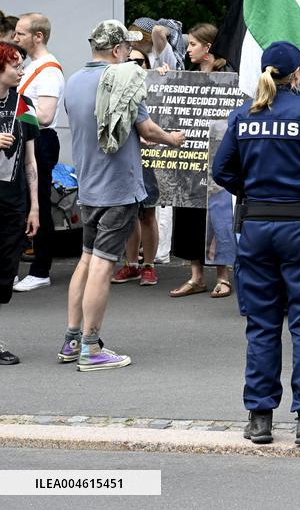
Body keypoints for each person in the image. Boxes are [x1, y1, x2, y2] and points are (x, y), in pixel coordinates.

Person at [212, 40, 300, 446]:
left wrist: (253, 192)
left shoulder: (244, 116)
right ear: (295, 74)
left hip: (255, 229)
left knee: (262, 326)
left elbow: (222, 171)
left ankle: (260, 419)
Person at [61, 20, 185, 371]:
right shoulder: (124, 77)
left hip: (88, 187)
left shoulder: (73, 81)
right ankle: (91, 348)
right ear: (117, 50)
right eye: (126, 48)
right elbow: (146, 128)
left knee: (86, 261)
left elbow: (98, 126)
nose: (130, 52)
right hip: (117, 188)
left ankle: (71, 341)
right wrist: (171, 139)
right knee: (102, 264)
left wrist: (135, 137)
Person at [169, 23, 235, 298]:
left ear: (208, 47)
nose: (189, 49)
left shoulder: (228, 76)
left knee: (217, 216)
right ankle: (196, 276)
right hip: (191, 159)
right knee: (189, 215)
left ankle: (223, 275)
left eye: (193, 44)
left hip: (218, 159)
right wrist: (164, 79)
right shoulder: (188, 77)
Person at [10, 12, 63, 293]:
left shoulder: (49, 70)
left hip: (41, 140)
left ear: (38, 36)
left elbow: (45, 115)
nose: (15, 38)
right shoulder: (31, 66)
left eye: (20, 33)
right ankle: (14, 268)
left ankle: (41, 269)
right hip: (28, 139)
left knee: (37, 202)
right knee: (21, 203)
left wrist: (13, 113)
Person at [0, 42, 40, 364]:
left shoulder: (24, 105)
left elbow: (30, 160)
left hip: (12, 201)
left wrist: (35, 206)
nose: (21, 71)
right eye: (15, 65)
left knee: (5, 273)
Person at [111, 48, 161, 287]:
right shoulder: (118, 84)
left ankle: (149, 266)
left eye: (139, 61)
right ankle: (131, 264)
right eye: (129, 60)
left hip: (150, 156)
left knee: (148, 212)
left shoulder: (157, 82)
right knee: (130, 213)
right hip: (127, 157)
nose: (133, 64)